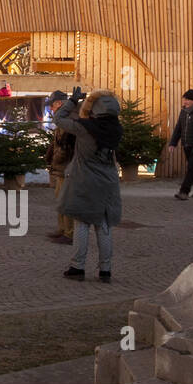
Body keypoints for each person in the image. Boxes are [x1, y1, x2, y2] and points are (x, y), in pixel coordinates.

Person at [54, 90, 123, 282]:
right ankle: (105, 270)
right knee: (103, 225)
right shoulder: (117, 129)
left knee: (82, 223)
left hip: (85, 180)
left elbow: (58, 119)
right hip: (108, 181)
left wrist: (72, 101)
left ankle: (78, 267)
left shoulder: (84, 128)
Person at [44, 90, 76, 244]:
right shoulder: (65, 119)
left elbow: (64, 147)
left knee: (66, 200)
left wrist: (55, 160)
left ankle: (69, 233)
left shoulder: (67, 120)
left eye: (52, 105)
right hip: (62, 167)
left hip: (66, 167)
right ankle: (63, 229)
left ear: (59, 104)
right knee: (60, 199)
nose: (51, 109)